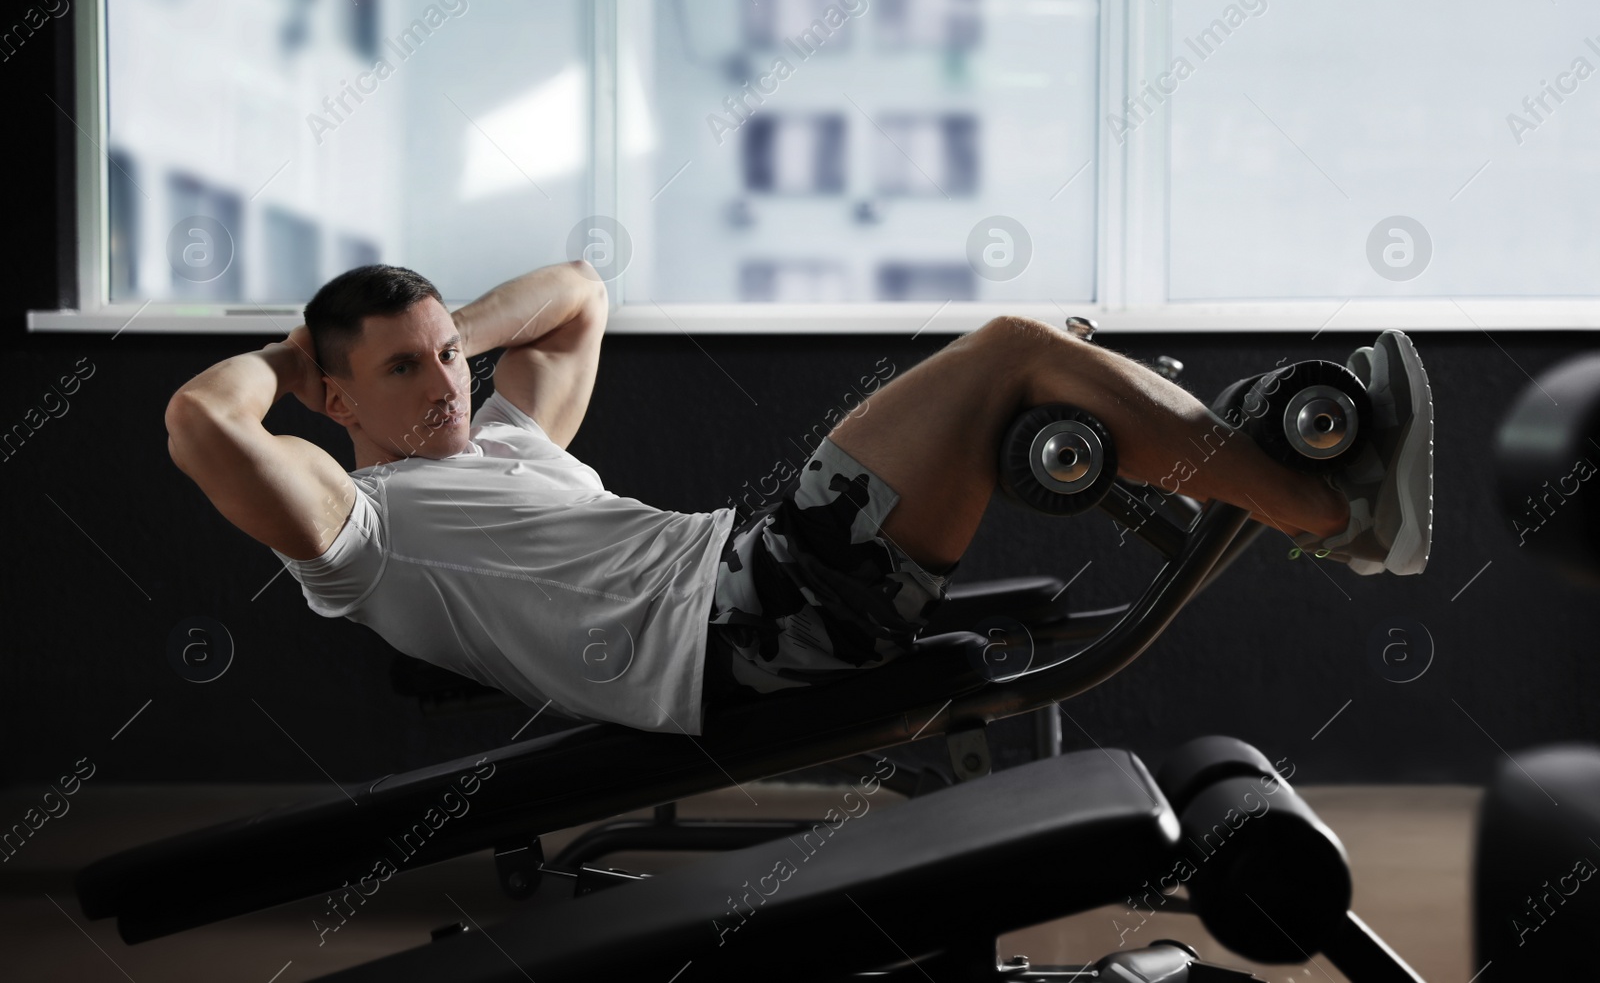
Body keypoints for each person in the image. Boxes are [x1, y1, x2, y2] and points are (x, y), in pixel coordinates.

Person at [164, 262, 1432, 735]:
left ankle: (1276, 459)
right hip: (740, 627)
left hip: (758, 584)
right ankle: (1328, 512)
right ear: (335, 404)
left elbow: (577, 291)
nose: (444, 381)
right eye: (402, 370)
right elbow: (196, 420)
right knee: (1007, 350)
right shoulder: (360, 528)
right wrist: (290, 360)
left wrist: (441, 334)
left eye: (445, 352)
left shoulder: (499, 438)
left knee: (1036, 348)